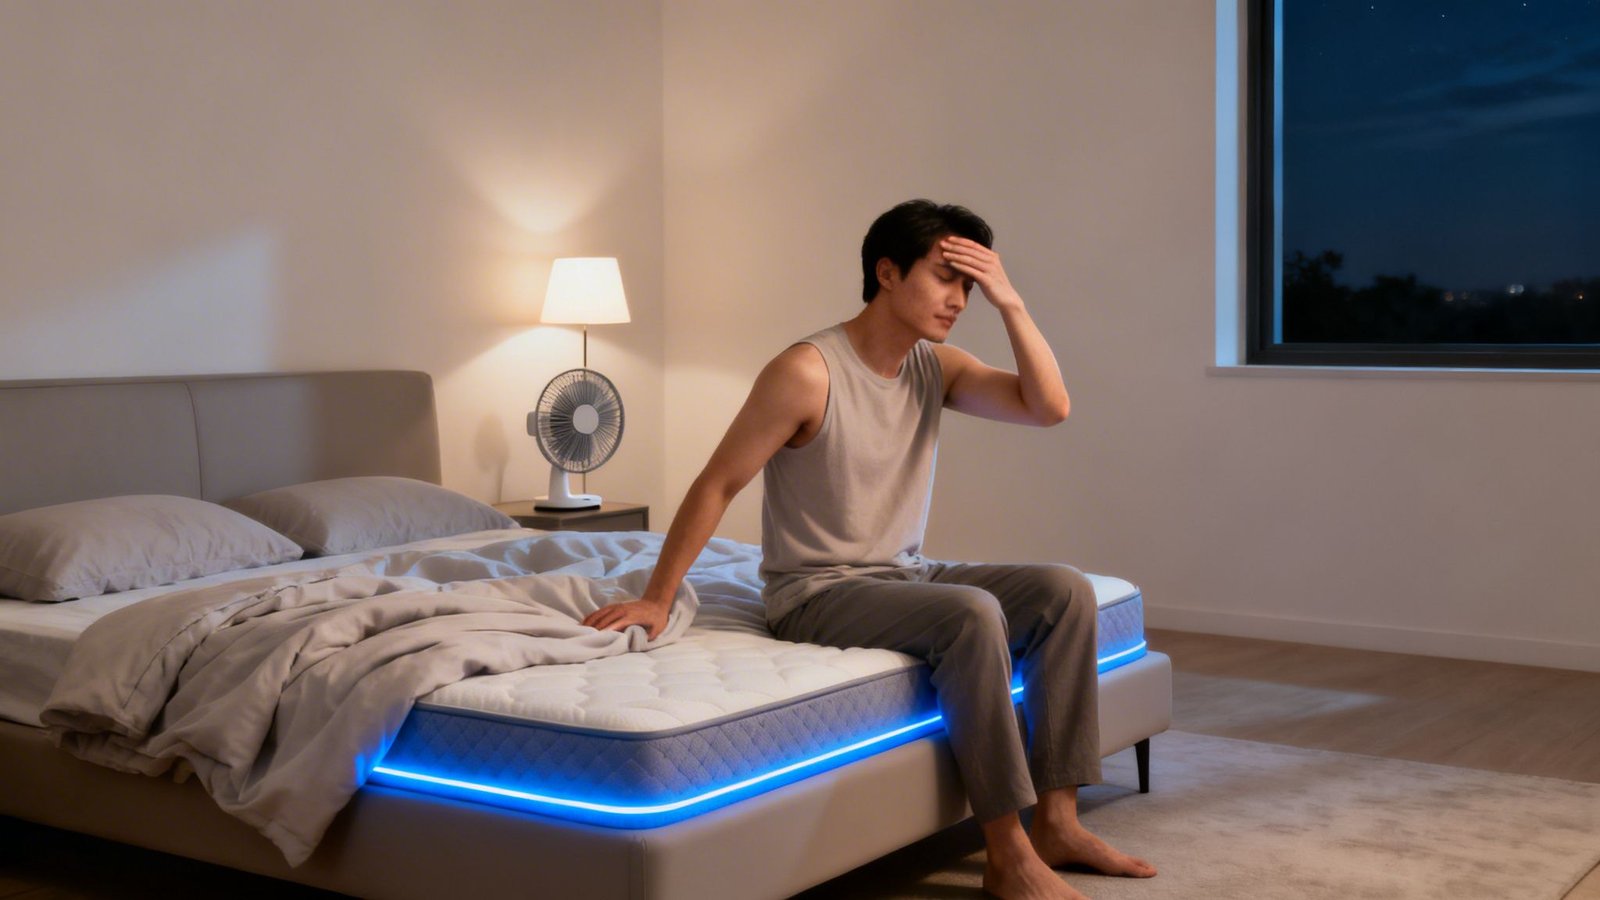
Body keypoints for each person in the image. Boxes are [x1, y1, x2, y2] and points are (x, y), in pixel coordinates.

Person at [581, 199, 1156, 899]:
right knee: (972, 613)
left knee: (1065, 591)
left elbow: (1049, 407)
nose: (959, 300)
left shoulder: (935, 367)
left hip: (902, 576)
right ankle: (1007, 851)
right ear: (887, 273)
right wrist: (656, 597)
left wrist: (1012, 302)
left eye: (970, 285)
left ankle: (1057, 823)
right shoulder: (807, 371)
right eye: (947, 278)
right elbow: (717, 483)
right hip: (816, 595)